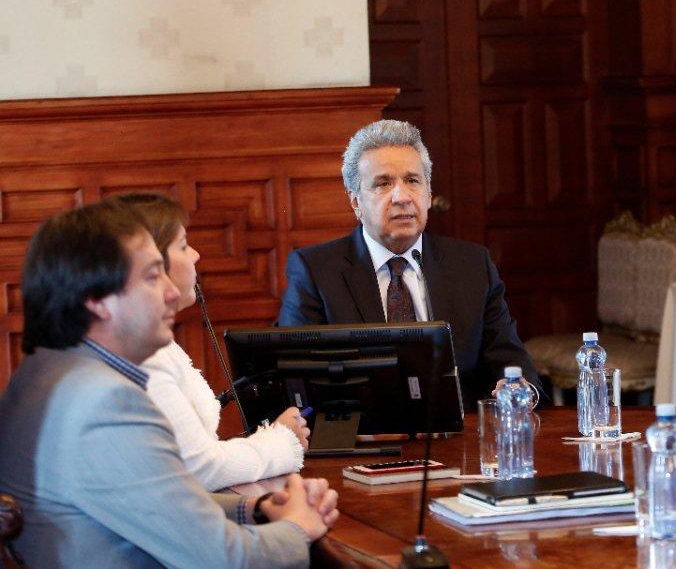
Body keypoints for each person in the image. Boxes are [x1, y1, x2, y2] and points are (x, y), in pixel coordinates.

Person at [0, 200, 339, 567]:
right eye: (152, 277)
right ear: (98, 301)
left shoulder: (45, 371)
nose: (171, 292)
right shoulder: (107, 403)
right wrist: (298, 527)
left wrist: (254, 507)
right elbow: (225, 559)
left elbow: (151, 502)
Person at [277, 119, 542, 406]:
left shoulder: (472, 265)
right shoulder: (315, 271)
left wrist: (521, 390)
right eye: (383, 183)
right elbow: (293, 376)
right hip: (361, 428)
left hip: (457, 428)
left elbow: (509, 359)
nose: (401, 197)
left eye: (413, 181)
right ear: (355, 202)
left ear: (428, 195)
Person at [116, 193, 308, 491]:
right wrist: (283, 439)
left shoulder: (157, 343)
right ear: (152, 263)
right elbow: (200, 468)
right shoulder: (143, 355)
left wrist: (250, 507)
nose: (195, 255)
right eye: (183, 246)